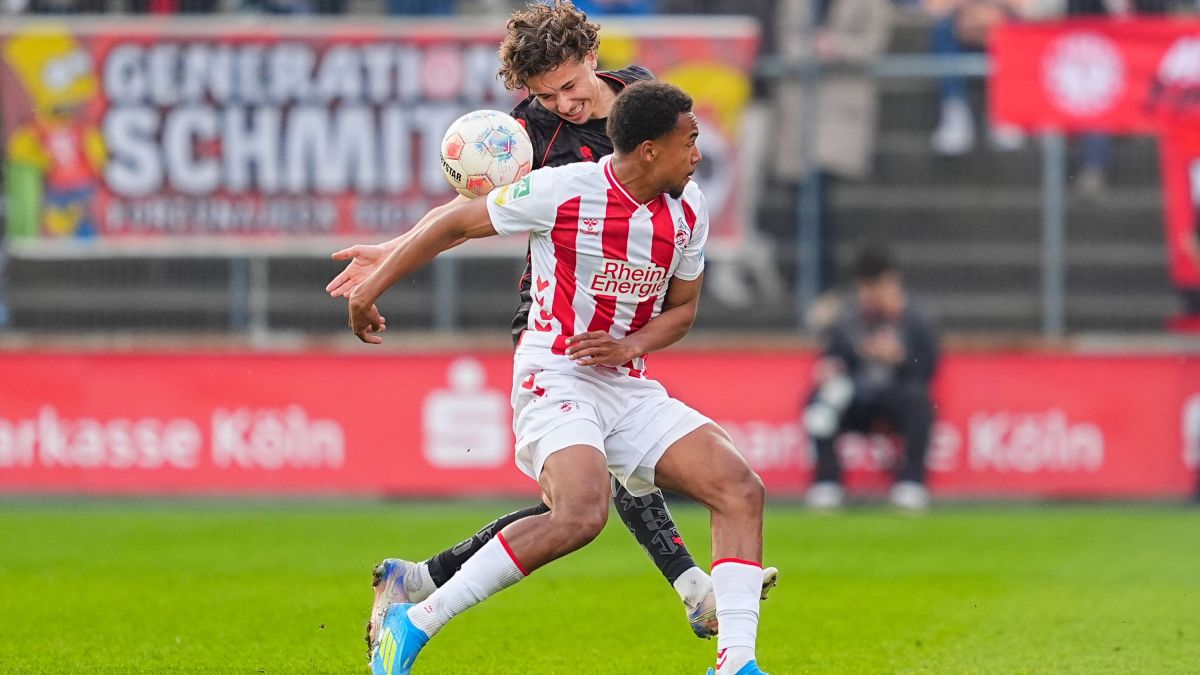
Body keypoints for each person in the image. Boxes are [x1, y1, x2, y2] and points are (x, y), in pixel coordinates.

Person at [324, 0, 776, 659]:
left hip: (623, 323)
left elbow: (683, 299)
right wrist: (387, 258)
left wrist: (635, 339)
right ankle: (692, 587)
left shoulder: (644, 107)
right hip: (557, 323)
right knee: (585, 496)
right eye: (545, 95)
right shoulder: (535, 141)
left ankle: (420, 580)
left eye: (567, 87)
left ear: (593, 60)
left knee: (594, 493)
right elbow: (464, 215)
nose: (562, 104)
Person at [803, 245, 940, 511]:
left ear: (892, 281)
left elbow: (929, 368)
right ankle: (827, 482)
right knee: (820, 401)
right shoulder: (849, 318)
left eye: (875, 286)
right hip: (858, 397)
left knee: (919, 400)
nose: (870, 294)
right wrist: (829, 367)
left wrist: (901, 357)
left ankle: (911, 483)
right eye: (865, 287)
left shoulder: (915, 320)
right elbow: (833, 356)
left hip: (897, 396)